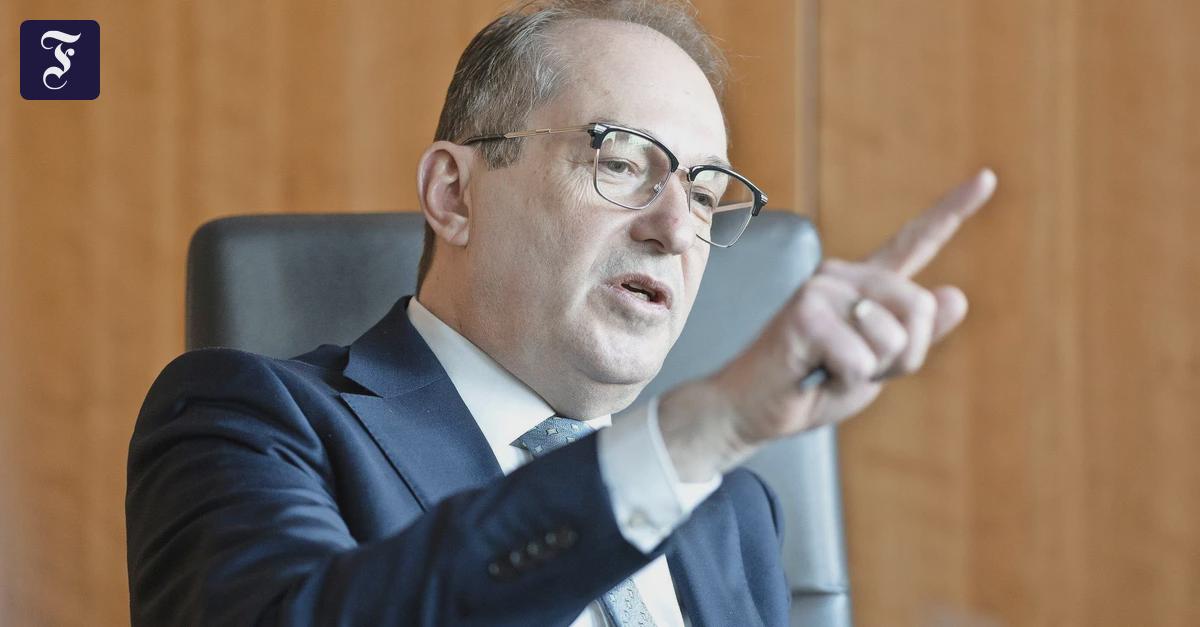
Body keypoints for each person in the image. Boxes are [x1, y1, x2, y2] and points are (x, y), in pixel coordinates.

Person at [126, 1, 996, 625]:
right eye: (621, 162)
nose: (675, 229)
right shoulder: (245, 418)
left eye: (703, 192)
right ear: (454, 193)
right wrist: (698, 433)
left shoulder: (731, 510)